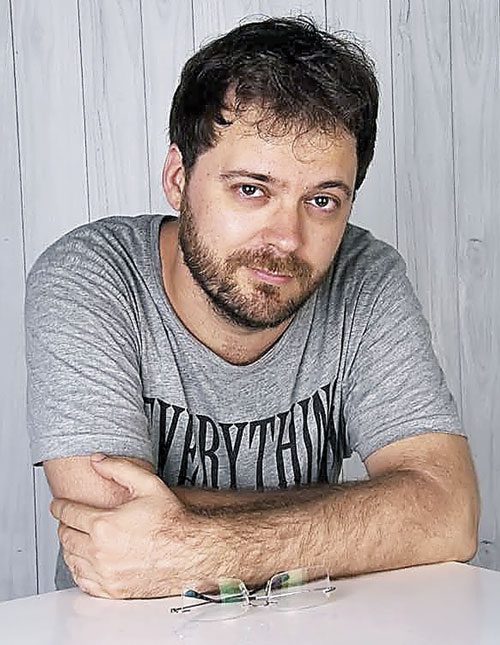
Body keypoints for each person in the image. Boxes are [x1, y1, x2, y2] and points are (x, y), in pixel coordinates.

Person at [25, 16, 479, 600]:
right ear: (178, 178)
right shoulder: (92, 274)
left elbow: (449, 511)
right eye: (250, 189)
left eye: (322, 200)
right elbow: (109, 522)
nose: (287, 238)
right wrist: (371, 517)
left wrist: (196, 544)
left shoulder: (366, 276)